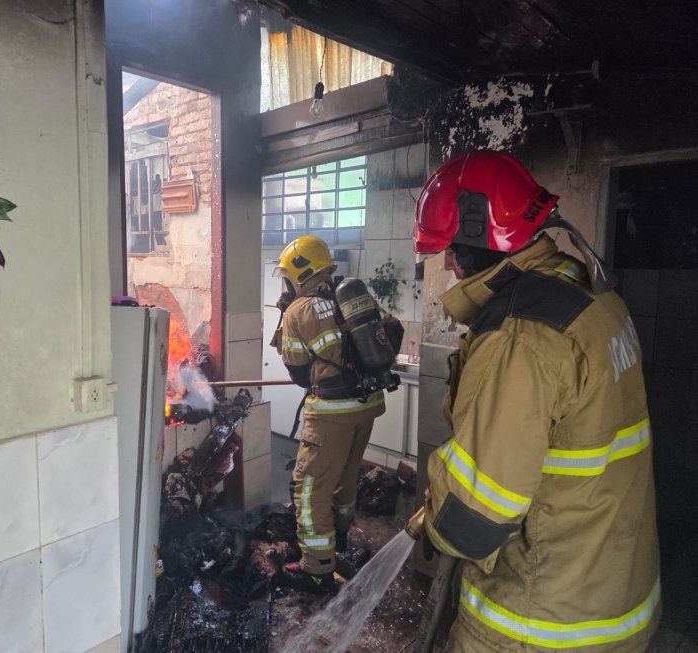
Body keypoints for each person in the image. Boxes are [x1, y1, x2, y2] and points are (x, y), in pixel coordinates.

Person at [412, 150, 661, 652]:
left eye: (450, 249)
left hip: (538, 619)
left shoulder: (519, 339)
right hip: (613, 596)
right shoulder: (592, 298)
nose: (447, 263)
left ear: (478, 240)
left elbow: (471, 523)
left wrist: (425, 521)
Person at [271, 235, 387, 593]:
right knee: (345, 477)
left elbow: (299, 373)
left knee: (309, 488)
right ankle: (337, 539)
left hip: (331, 413)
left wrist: (286, 316)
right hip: (367, 404)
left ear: (298, 273)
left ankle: (317, 568)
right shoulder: (350, 296)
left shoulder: (298, 311)